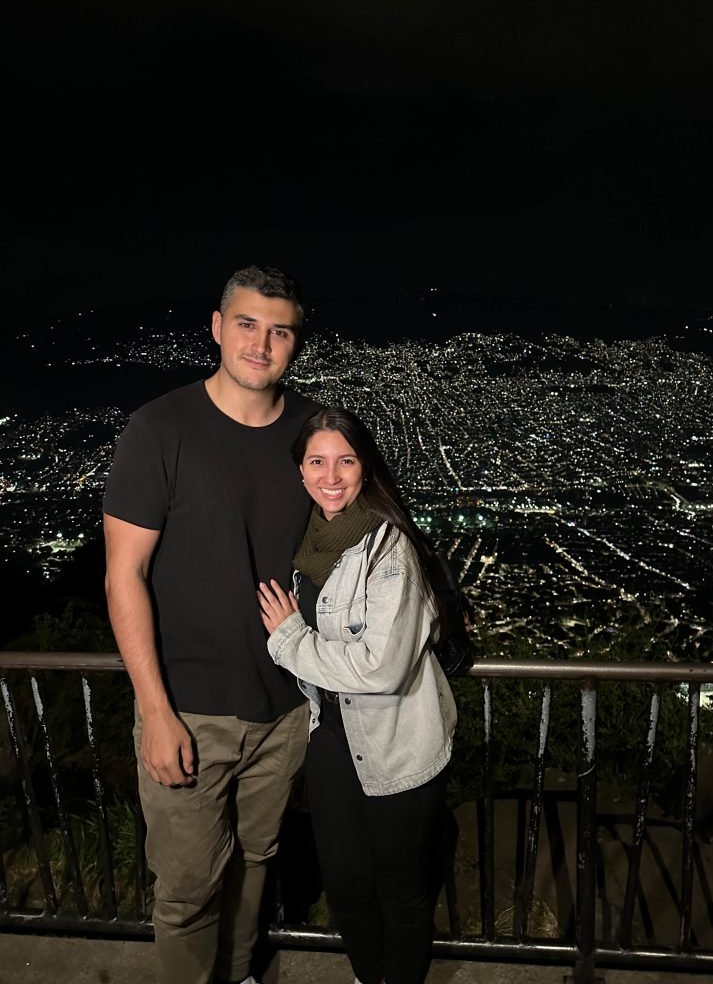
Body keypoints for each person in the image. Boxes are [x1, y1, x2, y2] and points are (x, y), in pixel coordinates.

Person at [103, 264, 318, 984]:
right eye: (248, 324)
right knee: (189, 887)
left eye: (279, 330)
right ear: (218, 327)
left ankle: (240, 972)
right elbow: (122, 576)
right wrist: (156, 712)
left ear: (295, 343)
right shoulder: (160, 429)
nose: (262, 343)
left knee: (256, 864)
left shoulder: (309, 433)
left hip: (285, 708)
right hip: (189, 710)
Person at [258, 408, 457, 984]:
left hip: (398, 744)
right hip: (333, 741)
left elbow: (382, 667)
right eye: (317, 461)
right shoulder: (307, 543)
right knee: (345, 886)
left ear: (365, 468)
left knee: (399, 890)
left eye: (346, 460)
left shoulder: (387, 548)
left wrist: (290, 640)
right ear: (299, 470)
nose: (332, 475)